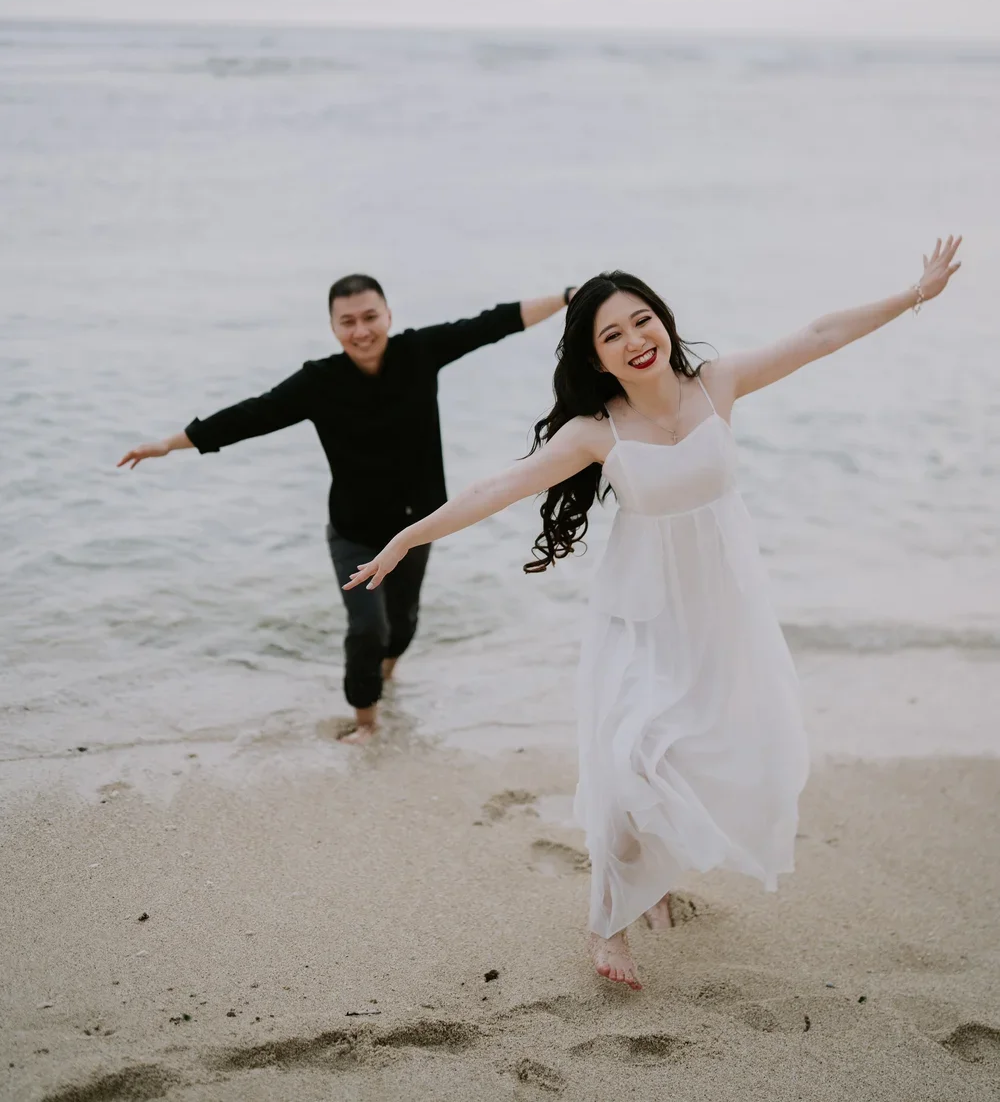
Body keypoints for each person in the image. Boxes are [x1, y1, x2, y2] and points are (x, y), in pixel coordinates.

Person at [345, 239, 962, 988]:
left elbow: (818, 337)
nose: (635, 341)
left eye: (643, 322)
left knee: (704, 753)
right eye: (612, 334)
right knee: (628, 756)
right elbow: (497, 488)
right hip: (638, 618)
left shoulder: (717, 384)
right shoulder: (595, 433)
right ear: (596, 358)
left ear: (664, 323)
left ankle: (655, 876)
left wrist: (913, 293)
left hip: (722, 614)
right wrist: (408, 538)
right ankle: (607, 925)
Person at [119, 275, 575, 743]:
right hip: (353, 531)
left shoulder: (419, 352)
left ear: (389, 316)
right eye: (348, 321)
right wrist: (171, 444)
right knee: (366, 627)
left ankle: (387, 674)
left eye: (370, 317)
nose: (361, 331)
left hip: (418, 526)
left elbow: (493, 323)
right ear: (334, 328)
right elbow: (252, 414)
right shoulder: (320, 381)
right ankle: (366, 721)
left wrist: (566, 297)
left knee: (403, 624)